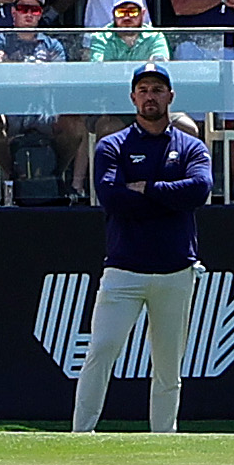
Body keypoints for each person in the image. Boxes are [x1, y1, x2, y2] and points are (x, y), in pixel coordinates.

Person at [70, 56, 217, 437]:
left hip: (175, 271)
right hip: (124, 270)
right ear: (133, 98)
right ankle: (81, 434)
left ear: (170, 95)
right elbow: (112, 197)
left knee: (168, 366)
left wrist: (148, 189)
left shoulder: (190, 147)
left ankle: (163, 437)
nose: (150, 97)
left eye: (157, 90)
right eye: (143, 91)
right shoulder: (112, 145)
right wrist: (168, 198)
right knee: (100, 352)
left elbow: (199, 190)